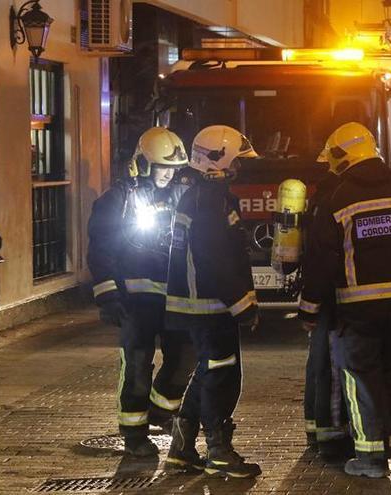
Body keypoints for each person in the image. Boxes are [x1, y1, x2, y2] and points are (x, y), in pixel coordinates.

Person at [299, 122, 391, 478]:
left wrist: (309, 309)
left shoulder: (337, 201)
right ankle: (386, 446)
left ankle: (370, 457)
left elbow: (322, 262)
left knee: (361, 379)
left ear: (344, 158)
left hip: (355, 310)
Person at [87, 127, 195, 457]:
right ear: (143, 164)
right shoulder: (118, 199)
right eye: (162, 167)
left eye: (174, 169)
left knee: (185, 358)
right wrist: (107, 296)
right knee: (136, 365)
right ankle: (134, 434)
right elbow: (100, 249)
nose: (168, 174)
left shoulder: (181, 196)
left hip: (174, 297)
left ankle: (161, 409)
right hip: (135, 300)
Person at [164, 125, 262, 478]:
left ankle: (182, 448)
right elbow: (214, 260)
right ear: (218, 161)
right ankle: (218, 452)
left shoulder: (202, 196)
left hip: (204, 305)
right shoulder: (210, 201)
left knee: (209, 371)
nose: (241, 168)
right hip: (211, 306)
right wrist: (241, 303)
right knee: (222, 377)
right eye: (237, 161)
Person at [301, 167, 352, 459]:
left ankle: (315, 430)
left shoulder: (319, 198)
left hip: (321, 298)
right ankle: (331, 440)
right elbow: (325, 259)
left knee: (318, 365)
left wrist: (308, 307)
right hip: (332, 299)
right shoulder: (336, 201)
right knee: (330, 370)